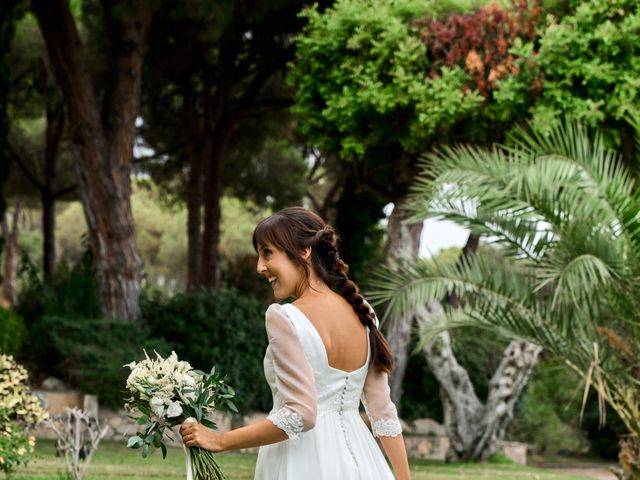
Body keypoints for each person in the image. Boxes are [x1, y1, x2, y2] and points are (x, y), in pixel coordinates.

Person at [180, 207, 411, 480]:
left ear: (304, 251)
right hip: (363, 462)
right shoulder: (364, 313)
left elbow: (301, 414)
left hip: (302, 460)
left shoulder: (285, 317)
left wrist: (220, 441)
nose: (260, 267)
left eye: (267, 252)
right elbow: (383, 412)